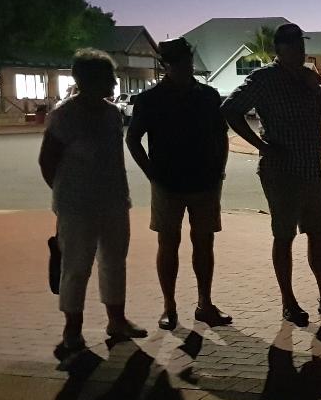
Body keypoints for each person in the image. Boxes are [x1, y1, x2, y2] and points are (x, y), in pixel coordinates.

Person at [221, 22, 321, 325]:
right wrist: (261, 145)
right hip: (281, 172)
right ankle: (289, 302)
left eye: (301, 45)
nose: (300, 50)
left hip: (311, 170)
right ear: (278, 50)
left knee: (319, 233)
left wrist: (318, 87)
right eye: (293, 45)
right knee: (284, 237)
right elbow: (230, 109)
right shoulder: (264, 79)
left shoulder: (309, 78)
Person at [39, 49, 146, 363]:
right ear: (87, 80)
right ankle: (72, 331)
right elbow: (47, 161)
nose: (114, 83)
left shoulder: (113, 114)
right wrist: (65, 197)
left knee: (114, 261)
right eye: (109, 77)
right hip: (76, 206)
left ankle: (117, 320)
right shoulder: (64, 115)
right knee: (76, 267)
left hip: (113, 201)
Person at [126, 37, 231, 331]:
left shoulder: (208, 96)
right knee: (168, 244)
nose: (186, 67)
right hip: (168, 183)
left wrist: (219, 170)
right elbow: (132, 139)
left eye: (187, 61)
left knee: (204, 244)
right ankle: (169, 307)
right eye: (179, 63)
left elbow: (221, 136)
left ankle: (204, 303)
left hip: (205, 182)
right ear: (166, 66)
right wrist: (152, 174)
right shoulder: (150, 99)